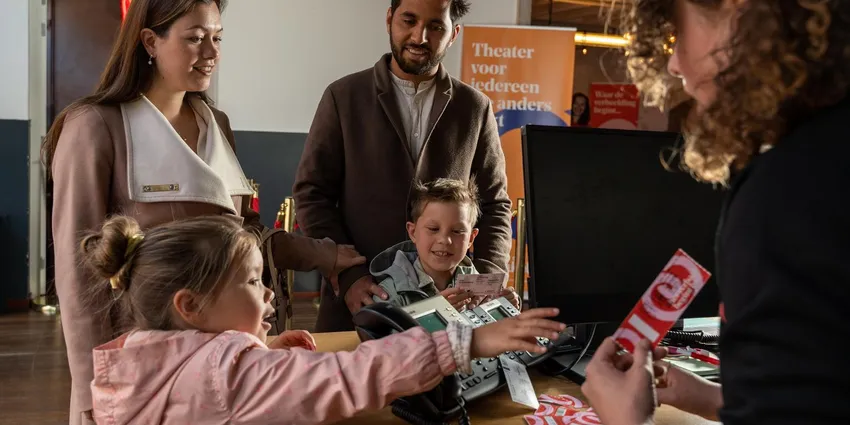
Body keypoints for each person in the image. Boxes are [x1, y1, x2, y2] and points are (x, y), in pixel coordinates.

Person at [42, 1, 364, 423]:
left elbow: (243, 237)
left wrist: (326, 256)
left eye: (217, 38)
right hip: (144, 366)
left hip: (225, 358)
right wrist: (94, 390)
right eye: (195, 38)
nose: (211, 52)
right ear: (150, 41)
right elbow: (78, 273)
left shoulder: (216, 123)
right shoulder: (95, 125)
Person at [581, 1, 850, 425]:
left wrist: (625, 420)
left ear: (738, 12)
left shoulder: (784, 194)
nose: (673, 64)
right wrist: (710, 398)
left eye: (676, 33)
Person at [82, 215, 565, 424]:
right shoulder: (226, 377)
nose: (269, 291)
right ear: (190, 306)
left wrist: (268, 353)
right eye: (252, 282)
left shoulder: (137, 360)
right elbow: (349, 376)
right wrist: (467, 343)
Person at [293, 0, 512, 332]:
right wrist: (349, 276)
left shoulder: (475, 109)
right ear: (389, 20)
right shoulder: (344, 96)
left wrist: (485, 281)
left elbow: (495, 204)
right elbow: (312, 195)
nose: (419, 36)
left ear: (453, 34)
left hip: (451, 312)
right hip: (360, 303)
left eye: (435, 27)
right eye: (408, 20)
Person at [370, 178, 520, 310]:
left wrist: (507, 309)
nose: (445, 240)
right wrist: (436, 314)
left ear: (471, 239)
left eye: (457, 231)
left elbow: (498, 336)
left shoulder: (482, 287)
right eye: (433, 229)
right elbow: (386, 341)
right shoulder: (389, 293)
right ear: (413, 232)